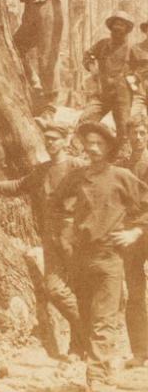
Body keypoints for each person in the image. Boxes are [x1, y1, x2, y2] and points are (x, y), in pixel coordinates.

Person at [52, 122, 148, 392]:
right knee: (87, 314)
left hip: (110, 256)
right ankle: (102, 372)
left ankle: (96, 379)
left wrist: (136, 232)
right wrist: (67, 230)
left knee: (104, 319)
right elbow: (56, 203)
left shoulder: (121, 176)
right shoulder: (77, 176)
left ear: (108, 148)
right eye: (89, 143)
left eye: (99, 144)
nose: (93, 148)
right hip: (81, 257)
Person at [0, 120, 85, 358]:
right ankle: (87, 328)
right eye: (48, 139)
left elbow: (99, 192)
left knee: (78, 287)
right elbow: (19, 185)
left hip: (74, 235)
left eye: (55, 139)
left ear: (65, 141)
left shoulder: (78, 167)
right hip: (50, 236)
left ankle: (77, 345)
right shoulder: (42, 170)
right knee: (54, 288)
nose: (50, 142)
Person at [80, 10, 137, 149]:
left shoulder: (132, 49)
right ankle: (80, 151)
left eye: (121, 25)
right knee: (86, 120)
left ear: (127, 29)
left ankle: (121, 157)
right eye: (115, 25)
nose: (118, 28)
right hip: (102, 93)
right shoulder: (103, 44)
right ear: (111, 28)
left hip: (122, 97)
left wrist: (133, 81)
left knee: (124, 130)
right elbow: (88, 55)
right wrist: (93, 69)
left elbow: (142, 69)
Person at [118, 117, 148, 367]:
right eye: (134, 134)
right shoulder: (125, 165)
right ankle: (140, 351)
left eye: (142, 132)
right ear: (127, 137)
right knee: (135, 293)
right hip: (133, 234)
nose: (138, 138)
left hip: (144, 227)